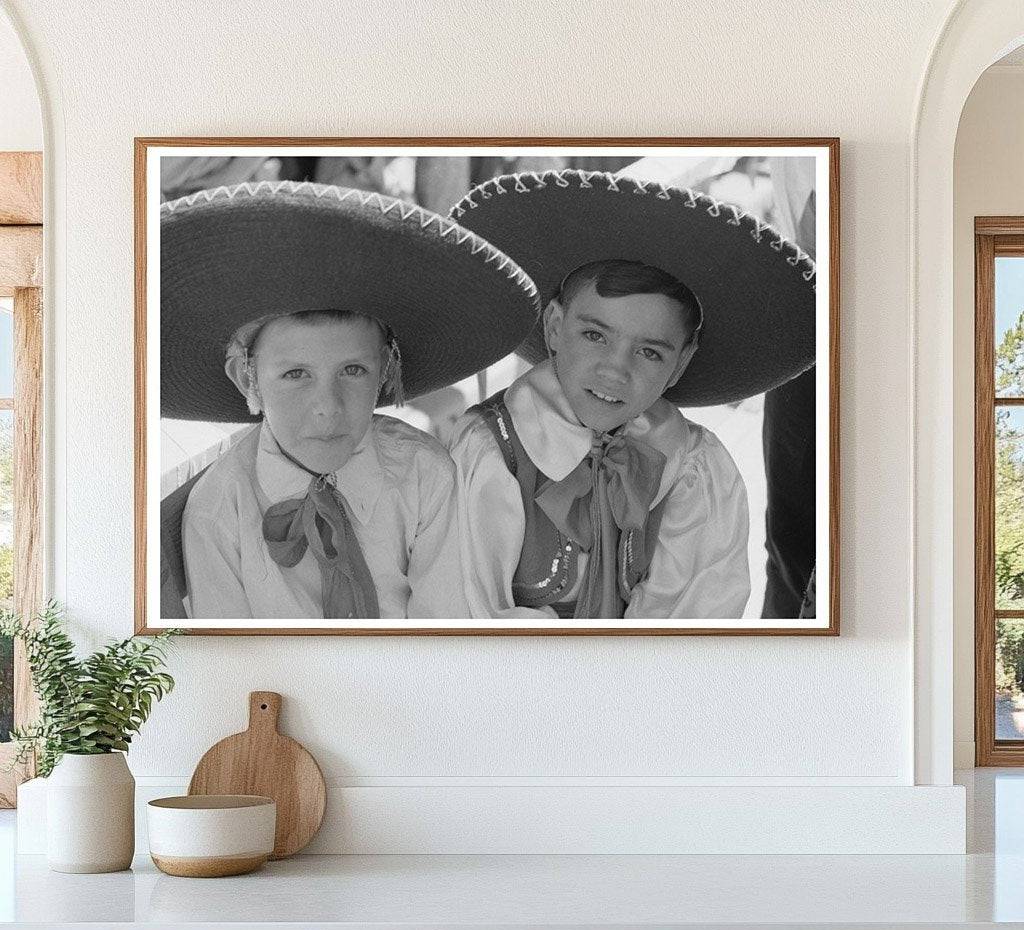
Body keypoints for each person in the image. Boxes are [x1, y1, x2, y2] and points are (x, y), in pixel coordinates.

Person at [158, 179, 539, 620]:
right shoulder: (218, 510)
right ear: (248, 380)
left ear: (384, 371)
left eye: (353, 371)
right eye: (296, 374)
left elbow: (445, 628)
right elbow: (234, 660)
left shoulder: (423, 474)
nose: (328, 407)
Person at [448, 168, 817, 620]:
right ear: (554, 329)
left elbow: (695, 615)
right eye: (595, 336)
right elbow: (463, 610)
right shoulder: (492, 450)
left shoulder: (692, 467)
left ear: (680, 363)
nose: (616, 371)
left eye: (649, 352)